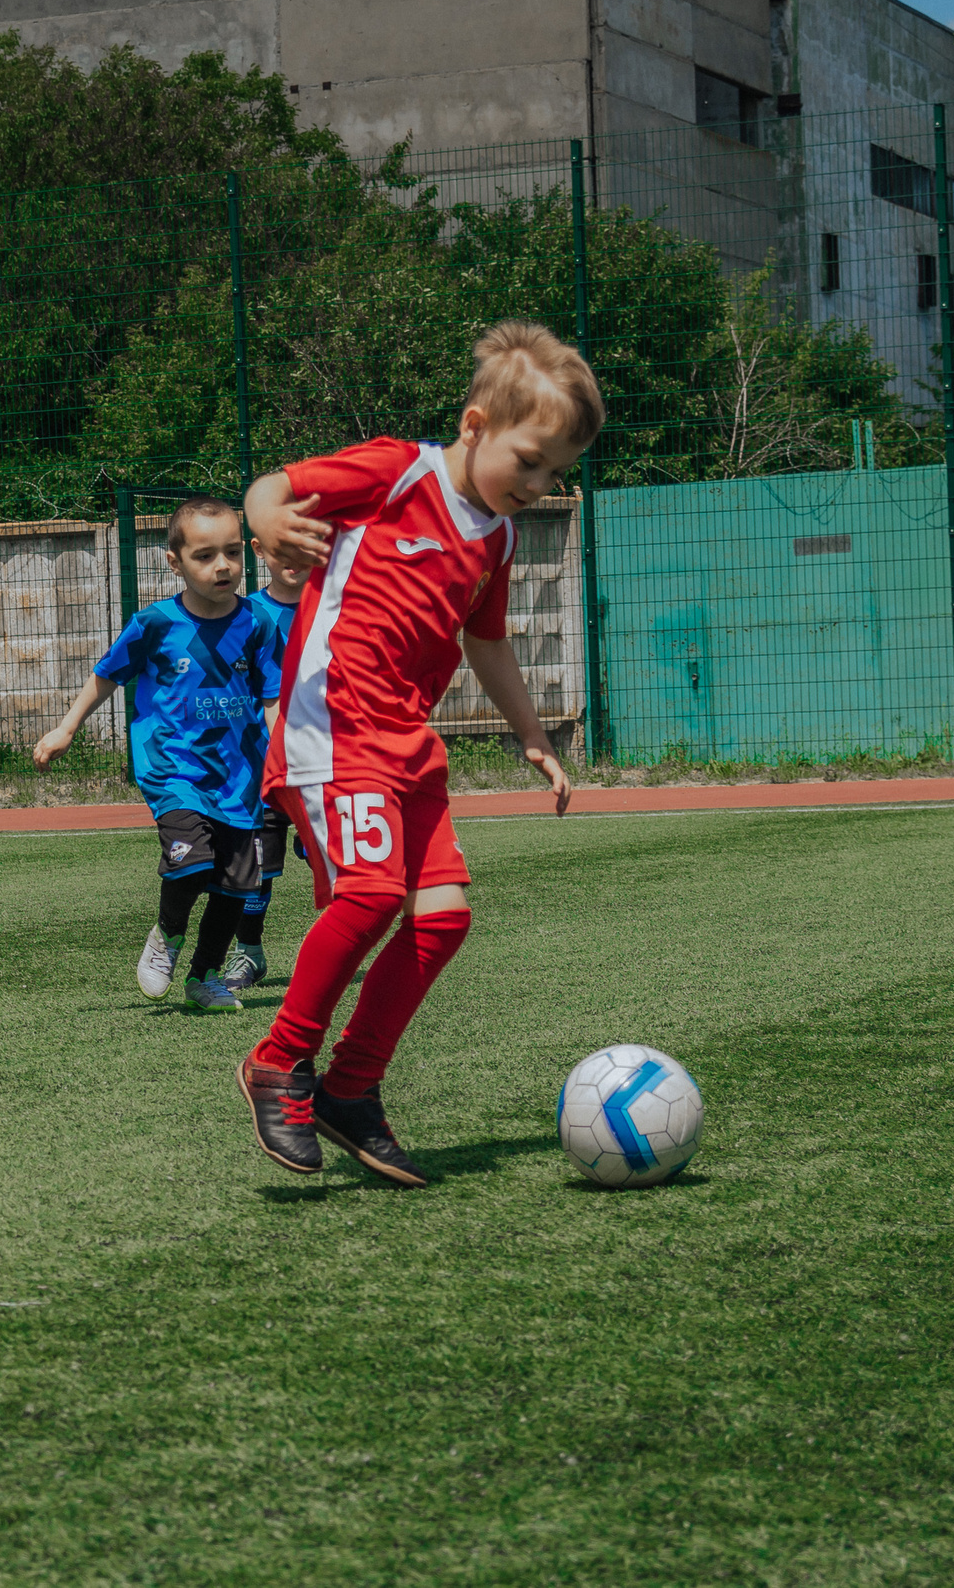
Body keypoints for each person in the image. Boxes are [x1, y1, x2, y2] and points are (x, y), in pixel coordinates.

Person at [238, 320, 589, 1187]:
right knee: (368, 896)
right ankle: (279, 1061)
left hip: (408, 742)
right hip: (335, 727)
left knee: (442, 918)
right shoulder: (399, 471)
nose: (541, 485)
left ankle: (351, 1086)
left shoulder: (498, 537)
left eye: (557, 473)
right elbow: (270, 487)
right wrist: (268, 521)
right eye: (532, 460)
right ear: (476, 426)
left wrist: (534, 734)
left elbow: (488, 643)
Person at [34, 496, 279, 1013]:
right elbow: (106, 674)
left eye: (233, 553)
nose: (223, 567)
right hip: (174, 771)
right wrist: (66, 728)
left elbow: (273, 697)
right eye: (206, 556)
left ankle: (204, 978)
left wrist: (286, 758)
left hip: (240, 779)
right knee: (191, 865)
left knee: (236, 888)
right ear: (175, 562)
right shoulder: (155, 625)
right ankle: (168, 934)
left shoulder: (257, 623)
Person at [223, 542, 312, 994]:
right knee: (255, 872)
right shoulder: (245, 615)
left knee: (339, 861)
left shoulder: (341, 607)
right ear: (258, 549)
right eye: (282, 547)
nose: (294, 558)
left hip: (330, 760)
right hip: (261, 768)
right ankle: (250, 953)